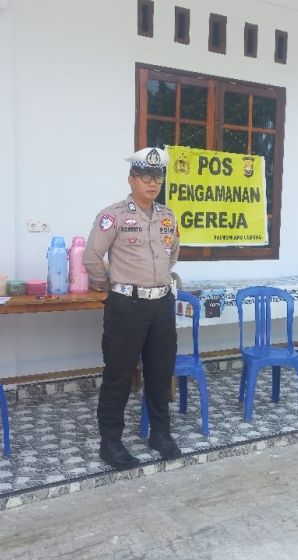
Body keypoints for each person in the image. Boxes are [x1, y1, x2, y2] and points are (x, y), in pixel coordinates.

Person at [84, 147, 182, 470]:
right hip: (127, 305)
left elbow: (172, 255)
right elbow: (91, 256)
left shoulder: (168, 216)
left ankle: (160, 434)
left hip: (161, 305)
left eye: (157, 177)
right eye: (145, 176)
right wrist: (108, 286)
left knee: (160, 373)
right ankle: (110, 443)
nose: (153, 183)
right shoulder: (114, 215)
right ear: (131, 179)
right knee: (119, 375)